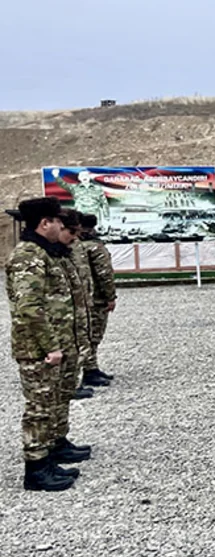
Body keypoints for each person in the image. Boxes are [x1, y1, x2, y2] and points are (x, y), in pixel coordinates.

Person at [6, 197, 89, 491]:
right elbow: (30, 308)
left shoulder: (46, 253)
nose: (60, 227)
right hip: (38, 350)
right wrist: (51, 346)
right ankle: (36, 469)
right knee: (40, 408)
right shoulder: (28, 256)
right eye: (57, 221)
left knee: (55, 400)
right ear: (45, 223)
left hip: (56, 344)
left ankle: (52, 452)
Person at [58, 211, 94, 402]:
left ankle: (75, 380)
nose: (75, 236)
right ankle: (69, 384)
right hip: (64, 312)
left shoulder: (72, 246)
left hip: (80, 303)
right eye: (72, 231)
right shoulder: (48, 254)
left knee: (82, 341)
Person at [78, 213, 117, 386]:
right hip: (96, 298)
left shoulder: (76, 246)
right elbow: (104, 274)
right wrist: (110, 296)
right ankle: (89, 370)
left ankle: (91, 367)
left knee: (88, 334)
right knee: (93, 335)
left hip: (84, 296)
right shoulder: (95, 247)